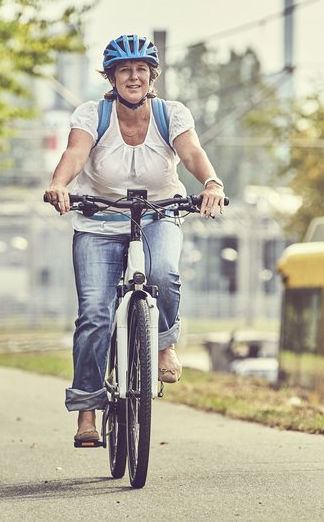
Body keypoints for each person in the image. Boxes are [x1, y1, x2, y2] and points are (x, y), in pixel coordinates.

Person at [43, 33, 226, 446]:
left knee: (162, 271)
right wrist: (59, 184)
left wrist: (211, 182)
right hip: (99, 221)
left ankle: (163, 345)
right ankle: (87, 413)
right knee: (94, 315)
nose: (133, 77)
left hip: (159, 214)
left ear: (151, 76)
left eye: (140, 69)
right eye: (124, 70)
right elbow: (75, 153)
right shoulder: (92, 114)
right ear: (111, 77)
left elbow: (193, 153)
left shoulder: (171, 114)